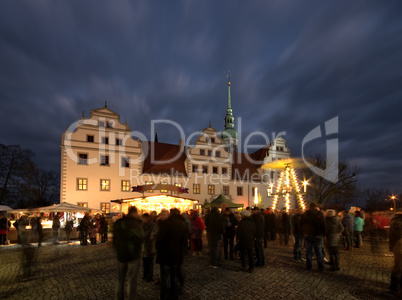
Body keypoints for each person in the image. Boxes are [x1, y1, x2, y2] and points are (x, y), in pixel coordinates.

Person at [113, 206, 144, 300]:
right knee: (131, 281)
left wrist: (118, 249)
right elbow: (141, 238)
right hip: (133, 256)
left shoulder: (119, 223)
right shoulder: (137, 224)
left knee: (120, 280)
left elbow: (114, 239)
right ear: (135, 213)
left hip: (121, 255)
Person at [156, 208, 187, 300]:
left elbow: (159, 240)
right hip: (176, 254)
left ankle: (164, 296)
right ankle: (175, 295)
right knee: (174, 276)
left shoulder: (165, 224)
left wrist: (158, 248)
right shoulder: (182, 224)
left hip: (164, 255)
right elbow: (184, 242)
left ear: (170, 214)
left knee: (165, 277)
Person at [300, 202, 326, 272]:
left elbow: (301, 224)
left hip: (308, 234)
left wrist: (304, 232)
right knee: (319, 251)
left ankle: (309, 266)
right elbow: (323, 225)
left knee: (308, 251)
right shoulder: (320, 214)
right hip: (318, 234)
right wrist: (324, 234)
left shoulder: (305, 214)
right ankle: (321, 267)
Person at [389, 211, 402, 296]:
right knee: (399, 268)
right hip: (399, 248)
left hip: (398, 247)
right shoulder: (397, 222)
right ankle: (394, 288)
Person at [142, 213, 157, 282]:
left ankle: (149, 276)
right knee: (145, 261)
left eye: (144, 218)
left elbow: (153, 235)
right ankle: (145, 274)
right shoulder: (142, 225)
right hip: (144, 247)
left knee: (150, 262)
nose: (143, 220)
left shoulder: (153, 225)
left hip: (150, 247)